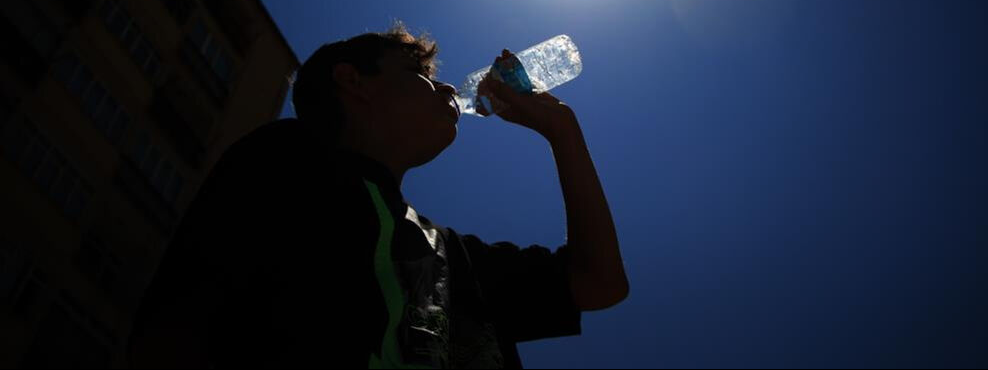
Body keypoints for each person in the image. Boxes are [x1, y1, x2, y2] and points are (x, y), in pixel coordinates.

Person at [128, 21, 628, 368]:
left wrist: (563, 131)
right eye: (421, 76)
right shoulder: (290, 160)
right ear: (354, 83)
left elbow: (600, 284)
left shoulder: (449, 257)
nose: (448, 88)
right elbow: (180, 327)